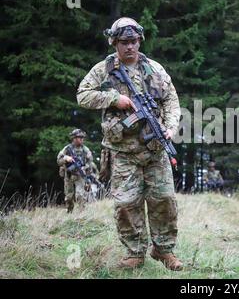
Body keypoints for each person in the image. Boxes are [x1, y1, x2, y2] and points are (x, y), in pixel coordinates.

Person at [76, 17, 182, 270]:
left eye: (134, 41)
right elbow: (82, 95)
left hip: (155, 149)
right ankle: (134, 253)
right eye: (124, 42)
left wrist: (169, 127)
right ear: (114, 42)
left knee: (164, 200)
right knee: (126, 204)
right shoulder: (103, 69)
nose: (130, 47)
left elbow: (171, 101)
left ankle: (163, 250)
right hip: (123, 151)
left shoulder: (155, 69)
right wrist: (114, 98)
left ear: (139, 41)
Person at [57, 129, 93, 213]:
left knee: (80, 195)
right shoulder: (67, 148)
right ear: (74, 138)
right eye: (79, 137)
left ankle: (81, 214)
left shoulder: (86, 150)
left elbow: (90, 163)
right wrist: (66, 158)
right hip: (69, 174)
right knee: (69, 197)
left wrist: (85, 169)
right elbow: (59, 161)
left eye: (82, 138)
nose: (81, 139)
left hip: (80, 175)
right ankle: (69, 212)